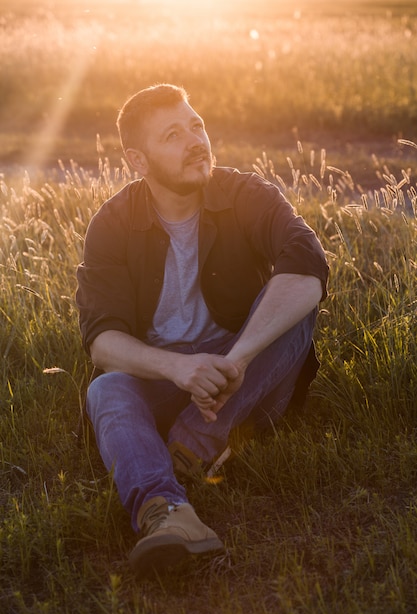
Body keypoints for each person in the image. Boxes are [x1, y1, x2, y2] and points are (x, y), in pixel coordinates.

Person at [76, 83, 329, 576]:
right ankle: (168, 514)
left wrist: (237, 360)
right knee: (107, 388)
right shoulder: (111, 224)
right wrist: (181, 368)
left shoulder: (246, 194)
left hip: (251, 378)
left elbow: (307, 269)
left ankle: (189, 446)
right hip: (169, 377)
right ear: (138, 161)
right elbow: (102, 342)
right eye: (173, 134)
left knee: (293, 303)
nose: (195, 140)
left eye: (197, 125)